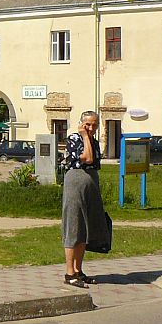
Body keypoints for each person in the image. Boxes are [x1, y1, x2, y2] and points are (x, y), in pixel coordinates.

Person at [61, 110, 110, 287]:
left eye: (94, 125)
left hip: (90, 183)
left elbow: (94, 162)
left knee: (85, 229)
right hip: (75, 183)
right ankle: (69, 273)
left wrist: (89, 139)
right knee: (73, 225)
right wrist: (84, 136)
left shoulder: (95, 142)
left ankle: (78, 270)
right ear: (81, 124)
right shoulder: (74, 139)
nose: (91, 128)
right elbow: (87, 158)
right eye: (87, 124)